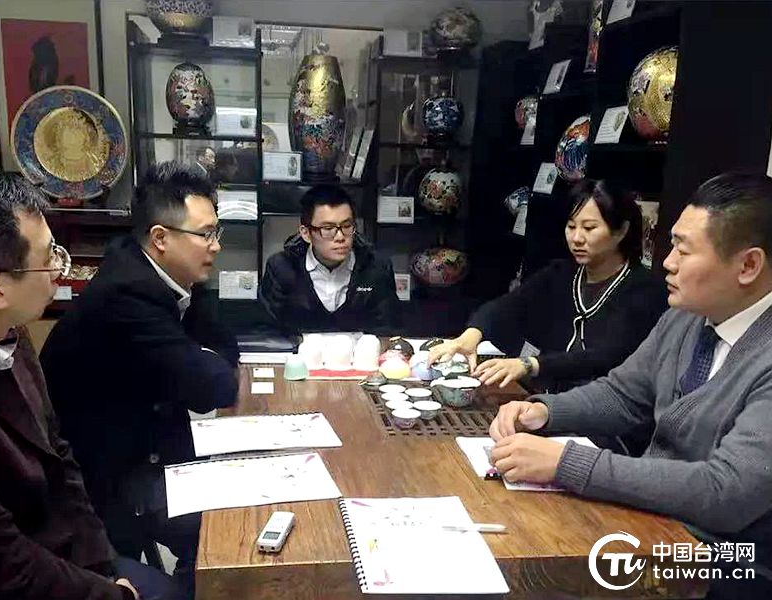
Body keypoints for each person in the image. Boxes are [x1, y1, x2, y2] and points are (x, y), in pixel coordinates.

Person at [488, 173, 772, 597]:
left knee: (547, 578)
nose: (668, 262)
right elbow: (622, 394)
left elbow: (726, 493)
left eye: (684, 250)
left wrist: (567, 464)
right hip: (659, 522)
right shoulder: (686, 316)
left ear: (748, 266)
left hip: (734, 560)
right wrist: (545, 411)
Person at [0, 169, 182, 599]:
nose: (59, 270)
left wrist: (101, 565)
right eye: (48, 258)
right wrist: (109, 594)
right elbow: (3, 564)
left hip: (68, 556)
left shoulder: (11, 332)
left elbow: (61, 459)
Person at [40, 162, 239, 598]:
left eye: (216, 232)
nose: (216, 245)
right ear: (161, 238)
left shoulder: (169, 276)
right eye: (206, 234)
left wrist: (199, 361)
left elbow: (225, 350)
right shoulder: (126, 292)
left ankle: (198, 574)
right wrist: (199, 362)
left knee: (239, 512)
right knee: (234, 533)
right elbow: (214, 388)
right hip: (105, 484)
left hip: (151, 452)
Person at [429, 179, 668, 395]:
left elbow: (607, 355)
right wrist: (470, 336)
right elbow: (508, 306)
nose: (577, 238)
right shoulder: (561, 274)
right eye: (571, 226)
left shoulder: (644, 289)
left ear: (621, 231)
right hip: (551, 401)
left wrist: (531, 365)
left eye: (589, 228)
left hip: (608, 411)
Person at [259, 184, 400, 336]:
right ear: (306, 233)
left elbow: (389, 329)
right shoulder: (281, 268)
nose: (340, 237)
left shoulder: (376, 268)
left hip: (361, 351)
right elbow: (268, 332)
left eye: (347, 226)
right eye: (327, 229)